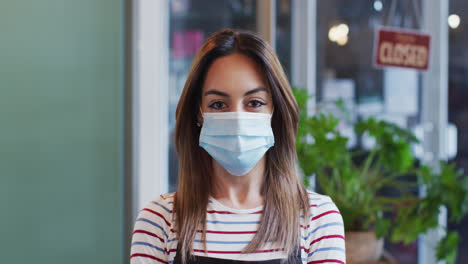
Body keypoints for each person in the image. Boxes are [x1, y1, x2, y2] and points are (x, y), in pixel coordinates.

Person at [130, 29, 346, 264]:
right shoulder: (159, 220)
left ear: (275, 113)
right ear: (198, 114)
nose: (237, 117)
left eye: (254, 103)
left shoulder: (318, 218)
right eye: (218, 104)